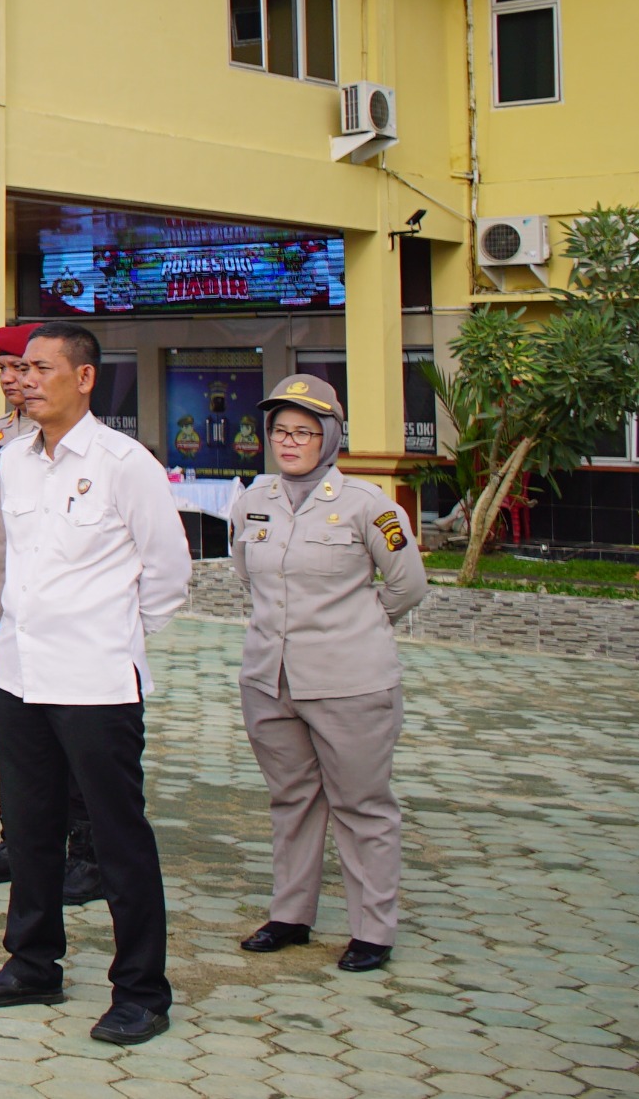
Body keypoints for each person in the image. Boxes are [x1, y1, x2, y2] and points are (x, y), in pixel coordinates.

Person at [0, 321, 189, 1047]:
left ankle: (142, 990)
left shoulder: (126, 463)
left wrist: (110, 636)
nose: (24, 380)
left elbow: (169, 575)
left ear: (84, 378)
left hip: (94, 680)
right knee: (30, 829)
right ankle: (32, 962)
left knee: (117, 837)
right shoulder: (18, 458)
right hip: (20, 671)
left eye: (41, 368)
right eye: (20, 369)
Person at [230, 374, 427, 973]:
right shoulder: (253, 500)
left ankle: (373, 929)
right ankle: (291, 915)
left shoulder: (368, 505)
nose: (289, 443)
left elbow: (407, 585)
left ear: (331, 437)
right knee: (291, 798)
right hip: (271, 679)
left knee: (361, 805)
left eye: (305, 432)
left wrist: (356, 627)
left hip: (350, 682)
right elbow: (248, 573)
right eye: (281, 431)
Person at [0, 326, 103, 904]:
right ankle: (18, 840)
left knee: (69, 733)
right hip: (0, 604)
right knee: (9, 730)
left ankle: (86, 852)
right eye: (5, 369)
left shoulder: (86, 445)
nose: (14, 380)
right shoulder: (1, 438)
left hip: (60, 619)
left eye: (25, 368)